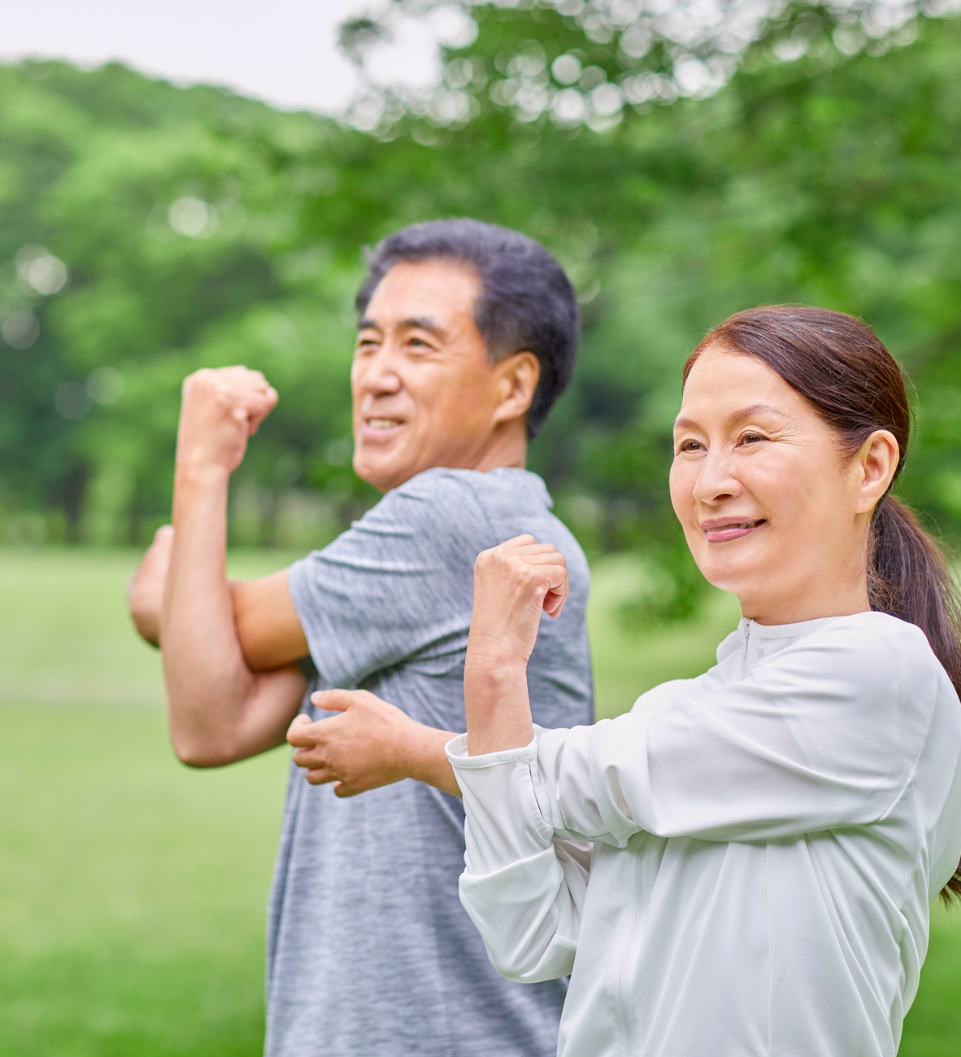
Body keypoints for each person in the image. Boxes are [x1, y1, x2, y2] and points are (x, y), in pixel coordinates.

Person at [353, 305, 961, 1057]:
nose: (709, 482)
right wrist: (499, 676)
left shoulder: (879, 674)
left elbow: (584, 780)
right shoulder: (682, 710)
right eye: (690, 445)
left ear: (868, 466)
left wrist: (444, 716)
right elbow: (530, 932)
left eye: (752, 437)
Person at [127, 219, 594, 1056]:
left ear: (512, 385)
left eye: (418, 344)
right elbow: (216, 718)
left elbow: (201, 630)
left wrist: (200, 467)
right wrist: (179, 604)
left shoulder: (454, 516)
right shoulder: (479, 532)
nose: (376, 373)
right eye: (368, 341)